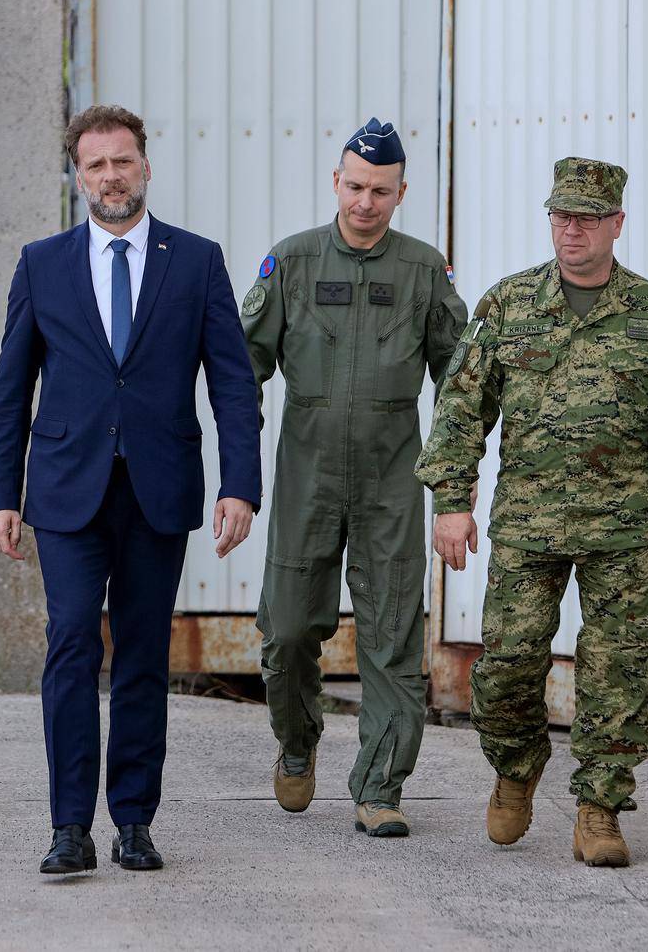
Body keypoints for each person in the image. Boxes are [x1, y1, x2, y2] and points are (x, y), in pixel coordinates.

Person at [415, 156, 648, 867]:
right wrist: (451, 502)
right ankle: (517, 766)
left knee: (617, 670)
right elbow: (462, 409)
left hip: (622, 529)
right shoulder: (509, 305)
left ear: (618, 224)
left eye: (588, 217)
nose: (573, 229)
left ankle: (599, 808)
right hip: (528, 524)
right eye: (562, 215)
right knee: (507, 666)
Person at [0, 104, 261, 875]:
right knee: (71, 642)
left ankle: (133, 819)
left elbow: (234, 385)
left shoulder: (196, 261)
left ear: (145, 166)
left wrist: (241, 484)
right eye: (95, 164)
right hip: (67, 490)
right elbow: (10, 391)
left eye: (123, 161)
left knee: (142, 654)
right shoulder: (42, 262)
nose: (111, 175)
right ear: (78, 176)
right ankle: (69, 826)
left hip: (159, 490)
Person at [240, 119, 468, 838]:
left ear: (402, 193)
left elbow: (460, 386)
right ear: (335, 182)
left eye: (381, 190)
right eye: (355, 186)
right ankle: (297, 739)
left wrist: (452, 493)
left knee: (393, 639)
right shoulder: (292, 263)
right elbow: (241, 367)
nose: (366, 202)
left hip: (392, 482)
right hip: (307, 474)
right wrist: (237, 473)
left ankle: (379, 785)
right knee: (285, 630)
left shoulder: (425, 272)